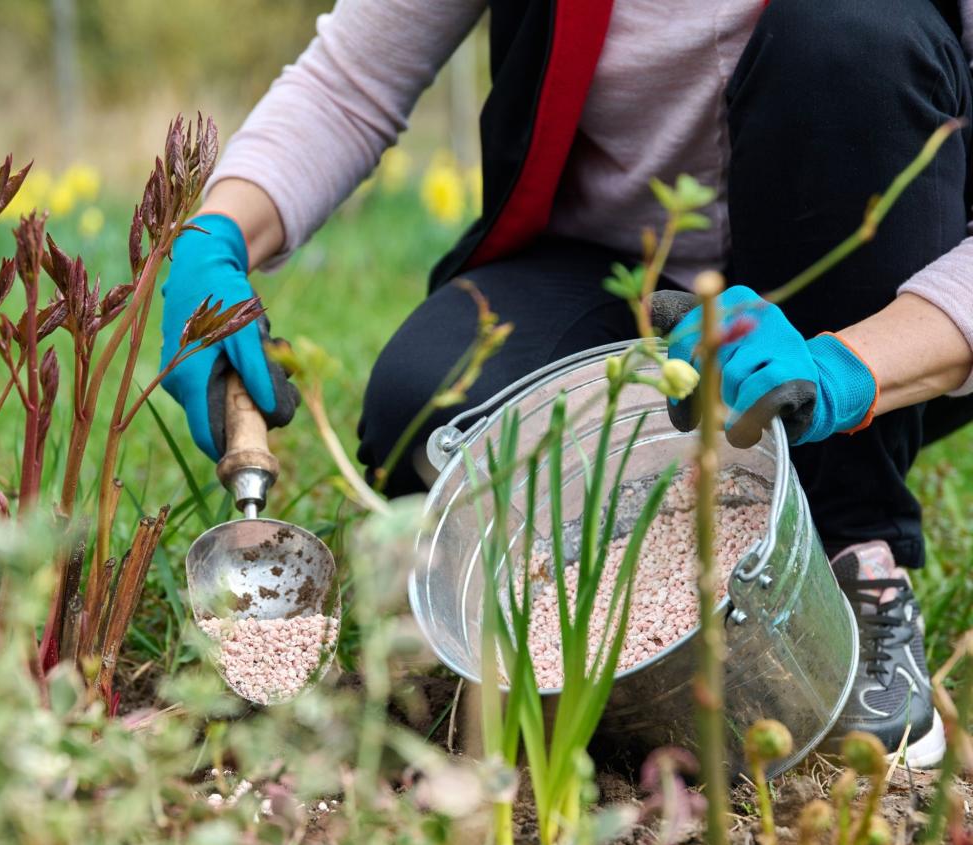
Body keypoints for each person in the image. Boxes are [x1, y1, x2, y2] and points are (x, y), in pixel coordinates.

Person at [159, 0, 973, 767]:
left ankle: (851, 547)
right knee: (428, 411)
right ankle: (606, 576)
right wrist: (219, 233)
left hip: (859, 305)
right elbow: (347, 86)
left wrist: (849, 366)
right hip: (614, 279)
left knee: (849, 37)